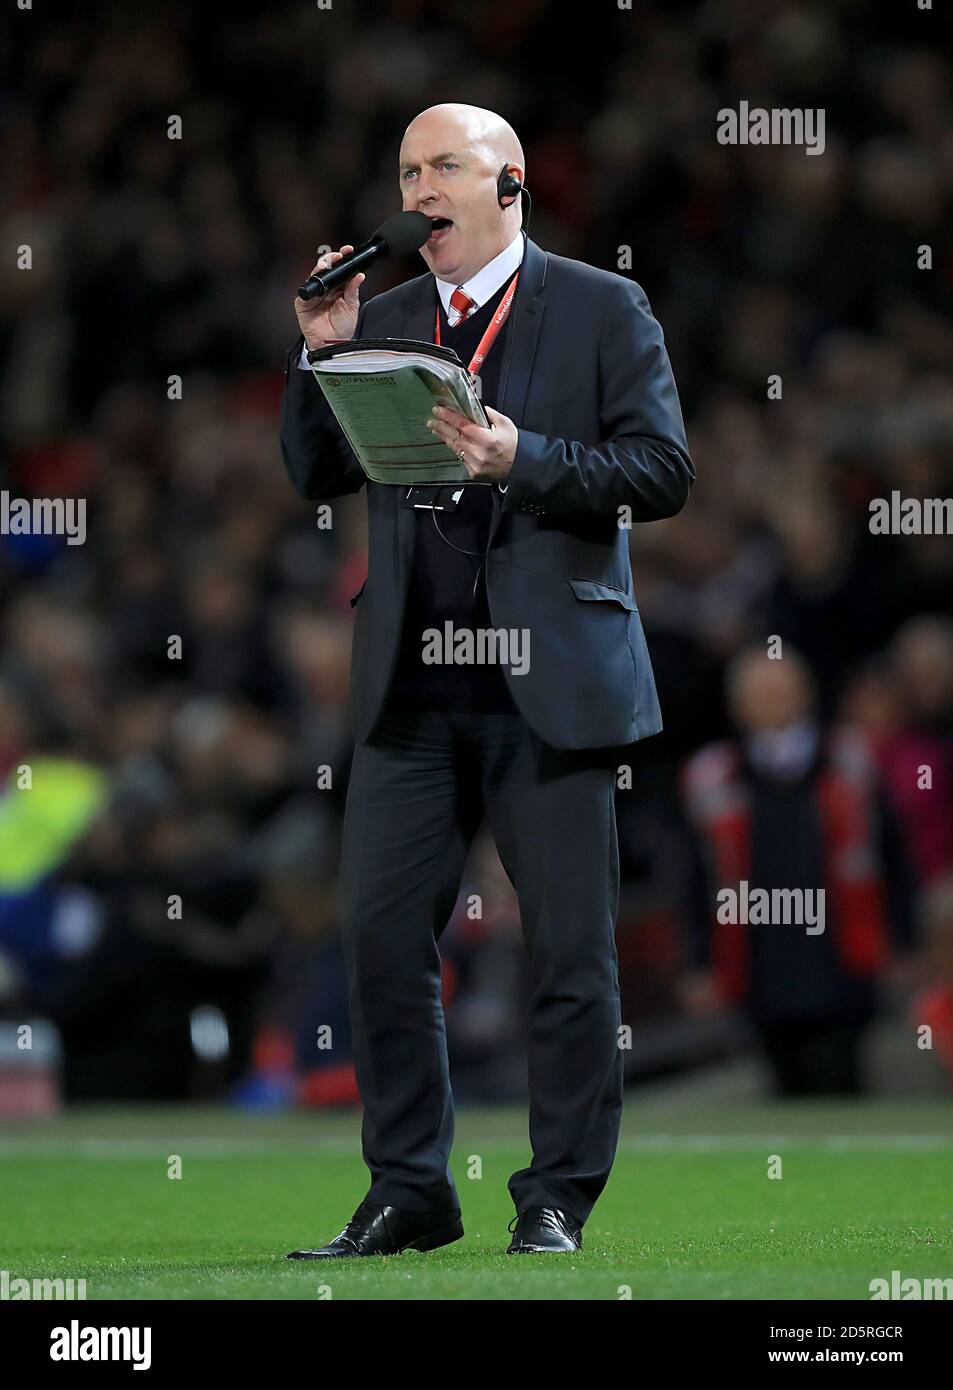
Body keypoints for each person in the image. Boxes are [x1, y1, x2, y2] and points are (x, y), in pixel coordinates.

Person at [280, 103, 693, 1258]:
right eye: (407, 169)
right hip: (411, 685)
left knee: (566, 949)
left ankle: (555, 1193)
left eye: (444, 167)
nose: (419, 189)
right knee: (376, 939)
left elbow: (661, 470)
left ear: (508, 184)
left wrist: (527, 459)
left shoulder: (602, 305)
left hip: (546, 682)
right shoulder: (388, 314)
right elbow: (310, 470)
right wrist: (321, 343)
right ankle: (408, 1185)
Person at [680, 647, 914, 1096]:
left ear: (806, 695)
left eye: (781, 691)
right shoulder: (712, 777)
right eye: (760, 694)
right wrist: (699, 963)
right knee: (782, 1086)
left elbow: (894, 858)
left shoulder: (851, 761)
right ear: (738, 705)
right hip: (758, 960)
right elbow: (695, 879)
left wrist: (903, 938)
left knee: (845, 1079)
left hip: (841, 954)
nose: (772, 703)